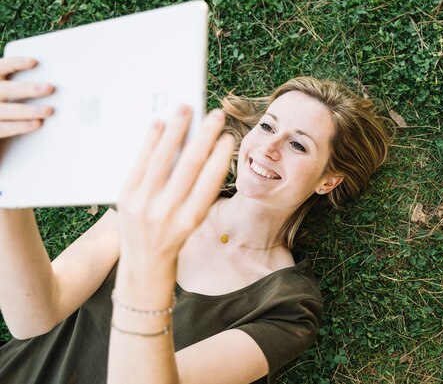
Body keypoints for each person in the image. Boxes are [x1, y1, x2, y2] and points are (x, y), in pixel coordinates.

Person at [0, 56, 390, 383]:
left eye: (298, 144)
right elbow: (34, 314)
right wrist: (6, 185)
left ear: (328, 180)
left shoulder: (288, 306)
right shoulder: (163, 195)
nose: (268, 148)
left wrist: (149, 261)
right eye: (268, 126)